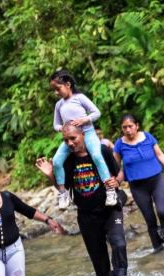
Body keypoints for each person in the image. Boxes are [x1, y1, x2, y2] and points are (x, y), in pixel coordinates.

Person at [36, 124, 129, 276]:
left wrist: (115, 182)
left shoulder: (101, 150)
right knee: (99, 261)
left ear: (83, 135)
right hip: (86, 215)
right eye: (66, 140)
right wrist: (51, 175)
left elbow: (120, 174)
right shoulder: (67, 161)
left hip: (110, 209)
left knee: (119, 244)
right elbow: (65, 188)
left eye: (73, 138)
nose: (70, 143)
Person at [49, 69, 117, 210]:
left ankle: (110, 190)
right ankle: (63, 192)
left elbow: (96, 112)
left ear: (68, 84)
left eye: (58, 89)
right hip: (71, 138)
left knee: (97, 155)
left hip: (88, 132)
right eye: (54, 90)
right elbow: (55, 124)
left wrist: (84, 119)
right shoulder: (59, 105)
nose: (56, 93)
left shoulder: (79, 98)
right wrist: (62, 128)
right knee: (56, 161)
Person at [113, 114, 164, 252]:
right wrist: (115, 181)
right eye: (124, 127)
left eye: (130, 126)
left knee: (162, 211)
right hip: (137, 187)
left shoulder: (148, 137)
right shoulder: (120, 144)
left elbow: (160, 154)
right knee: (149, 218)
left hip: (156, 180)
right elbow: (116, 166)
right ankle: (158, 247)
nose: (128, 130)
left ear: (137, 126)